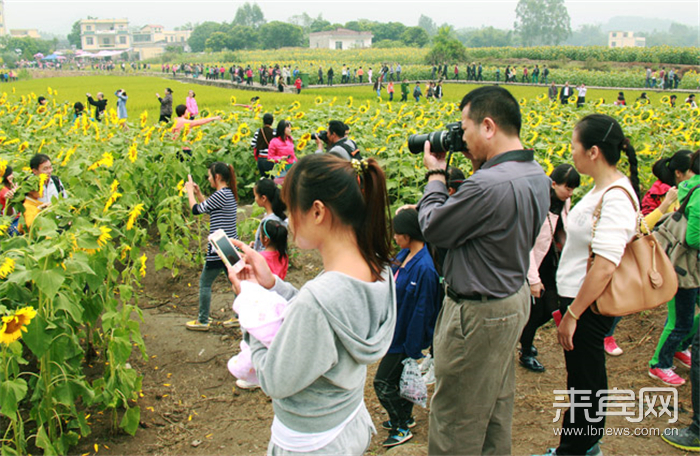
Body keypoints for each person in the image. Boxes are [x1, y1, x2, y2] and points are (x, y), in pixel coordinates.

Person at [225, 153, 396, 455]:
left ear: (317, 212)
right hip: (348, 423)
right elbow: (327, 313)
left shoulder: (318, 300)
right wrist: (271, 285)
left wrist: (251, 301)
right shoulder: (380, 269)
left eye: (291, 210)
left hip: (311, 443)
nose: (288, 221)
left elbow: (275, 379)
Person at [417, 86, 550, 455]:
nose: (462, 138)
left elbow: (433, 227)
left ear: (488, 126)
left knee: (455, 418)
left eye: (465, 128)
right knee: (494, 404)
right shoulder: (534, 172)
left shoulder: (487, 185)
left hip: (477, 314)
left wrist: (436, 177)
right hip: (511, 299)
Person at [541, 114, 641, 456]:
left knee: (586, 381)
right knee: (583, 378)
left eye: (574, 146)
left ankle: (576, 449)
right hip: (580, 301)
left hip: (588, 304)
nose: (572, 152)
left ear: (594, 151)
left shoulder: (614, 195)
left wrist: (573, 314)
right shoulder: (601, 188)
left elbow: (604, 267)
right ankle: (583, 446)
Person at [374, 208, 440, 448]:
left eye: (397, 234)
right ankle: (407, 417)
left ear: (409, 235)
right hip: (395, 331)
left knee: (381, 383)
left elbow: (423, 312)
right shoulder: (404, 255)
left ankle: (400, 425)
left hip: (405, 338)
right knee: (400, 379)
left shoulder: (425, 269)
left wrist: (413, 348)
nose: (394, 238)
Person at [519, 164, 581, 373]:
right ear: (553, 183)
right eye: (568, 187)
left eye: (573, 189)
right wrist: (533, 279)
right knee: (536, 310)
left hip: (551, 261)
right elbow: (525, 244)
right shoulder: (537, 205)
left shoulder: (564, 202)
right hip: (533, 263)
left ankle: (524, 339)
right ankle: (525, 350)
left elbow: (562, 228)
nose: (570, 193)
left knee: (550, 308)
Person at [648, 150, 698, 386]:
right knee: (679, 319)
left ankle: (680, 347)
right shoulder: (696, 193)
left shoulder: (689, 186)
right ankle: (659, 363)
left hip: (692, 265)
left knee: (684, 318)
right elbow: (692, 238)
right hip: (684, 265)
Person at [184, 162, 239, 331]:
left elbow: (196, 210)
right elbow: (210, 209)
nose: (208, 179)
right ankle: (240, 316)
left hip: (218, 247)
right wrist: (199, 194)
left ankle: (202, 320)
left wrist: (189, 193)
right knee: (236, 282)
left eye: (209, 176)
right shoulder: (227, 193)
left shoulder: (220, 194)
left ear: (217, 177)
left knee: (205, 283)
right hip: (229, 245)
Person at [252, 178, 287, 253]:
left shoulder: (268, 222)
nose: (255, 199)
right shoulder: (279, 216)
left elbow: (267, 249)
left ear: (263, 198)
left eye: (256, 196)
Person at [252, 113, 275, 178]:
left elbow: (253, 145)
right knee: (271, 178)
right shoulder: (274, 132)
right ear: (272, 122)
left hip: (261, 159)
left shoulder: (258, 131)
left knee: (263, 178)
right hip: (271, 159)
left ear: (263, 121)